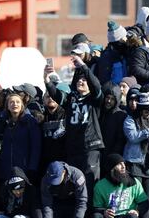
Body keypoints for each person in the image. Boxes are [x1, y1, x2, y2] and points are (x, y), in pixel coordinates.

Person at [44, 54, 104, 206]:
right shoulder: (71, 99)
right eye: (79, 79)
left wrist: (84, 66)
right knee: (72, 183)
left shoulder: (95, 98)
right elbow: (56, 94)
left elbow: (96, 85)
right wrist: (46, 79)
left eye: (84, 80)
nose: (81, 81)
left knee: (89, 183)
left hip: (91, 146)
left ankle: (90, 213)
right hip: (73, 147)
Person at [0, 93, 41, 184]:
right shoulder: (3, 122)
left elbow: (36, 147)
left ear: (22, 105)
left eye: (17, 102)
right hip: (6, 170)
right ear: (7, 106)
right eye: (11, 102)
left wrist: (32, 167)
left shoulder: (30, 121)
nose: (15, 104)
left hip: (24, 169)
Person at [93, 154, 149, 218]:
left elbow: (144, 203)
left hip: (128, 216)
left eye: (123, 163)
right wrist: (104, 212)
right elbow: (97, 208)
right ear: (111, 169)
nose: (123, 166)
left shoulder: (134, 182)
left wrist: (137, 211)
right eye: (119, 164)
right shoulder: (100, 185)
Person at [100, 82, 127, 176]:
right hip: (98, 157)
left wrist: (112, 158)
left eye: (112, 99)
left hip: (112, 158)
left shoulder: (120, 115)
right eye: (107, 97)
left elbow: (120, 140)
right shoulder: (100, 113)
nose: (108, 101)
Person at [97, 21, 129, 85]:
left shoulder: (122, 53)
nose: (127, 40)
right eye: (125, 37)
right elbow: (106, 79)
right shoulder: (108, 57)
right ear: (120, 40)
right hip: (115, 90)